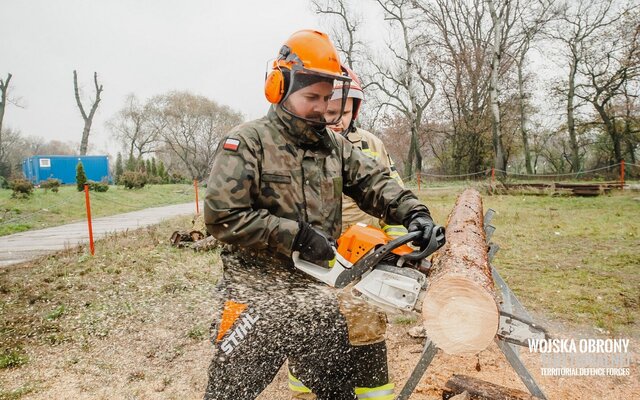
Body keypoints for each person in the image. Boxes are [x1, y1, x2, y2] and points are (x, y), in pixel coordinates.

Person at [203, 29, 438, 400]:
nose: (321, 107)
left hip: (317, 296)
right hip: (257, 298)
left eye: (327, 98)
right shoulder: (248, 142)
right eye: (311, 97)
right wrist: (292, 235)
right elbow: (222, 216)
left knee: (337, 392)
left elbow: (374, 181)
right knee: (227, 394)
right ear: (279, 88)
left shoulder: (334, 147)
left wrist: (415, 213)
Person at [287, 67, 409, 399]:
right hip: (314, 259)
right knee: (310, 327)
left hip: (365, 258)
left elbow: (392, 195)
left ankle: (373, 393)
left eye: (342, 111)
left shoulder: (370, 145)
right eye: (328, 111)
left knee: (365, 327)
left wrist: (397, 246)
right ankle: (306, 389)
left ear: (354, 109)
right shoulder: (296, 148)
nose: (335, 120)